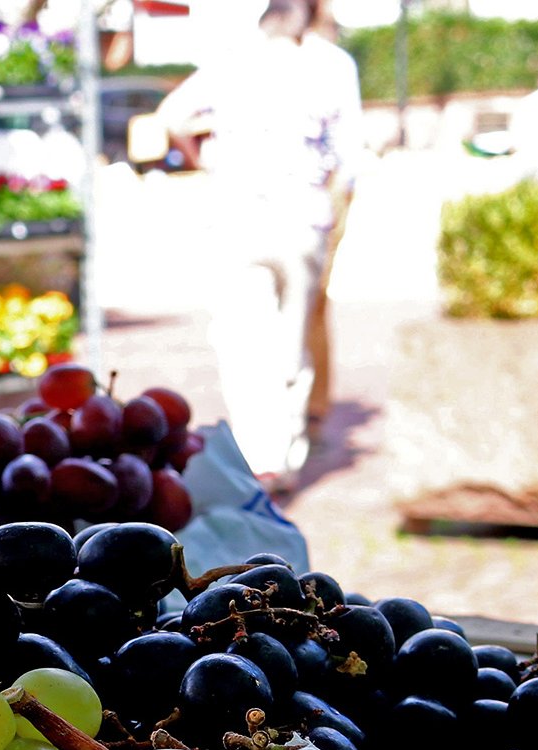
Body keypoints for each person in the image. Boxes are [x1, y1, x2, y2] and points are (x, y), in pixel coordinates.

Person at [156, 0, 348, 485]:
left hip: (236, 215)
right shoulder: (331, 65)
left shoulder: (231, 61)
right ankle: (285, 455)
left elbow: (172, 116)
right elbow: (348, 158)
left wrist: (202, 159)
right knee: (292, 339)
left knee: (242, 340)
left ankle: (258, 458)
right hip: (303, 216)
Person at [300, 0, 364, 430]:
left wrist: (336, 201)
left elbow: (348, 147)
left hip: (322, 194)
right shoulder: (263, 53)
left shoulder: (333, 62)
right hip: (279, 198)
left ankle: (315, 404)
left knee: (312, 300)